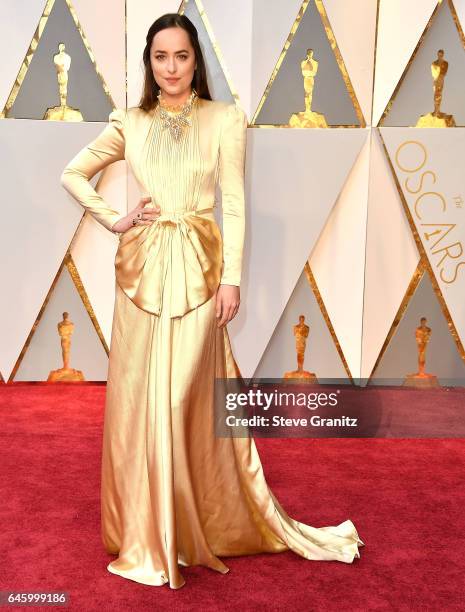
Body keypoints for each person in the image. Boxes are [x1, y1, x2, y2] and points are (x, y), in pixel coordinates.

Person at [60, 13, 364, 589]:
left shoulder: (225, 119)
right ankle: (146, 532)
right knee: (138, 403)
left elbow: (233, 201)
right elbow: (74, 173)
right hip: (142, 275)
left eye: (180, 56)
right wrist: (115, 220)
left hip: (201, 274)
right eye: (159, 57)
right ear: (149, 64)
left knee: (180, 401)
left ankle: (190, 523)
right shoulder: (129, 121)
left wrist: (233, 278)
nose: (170, 68)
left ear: (196, 59)